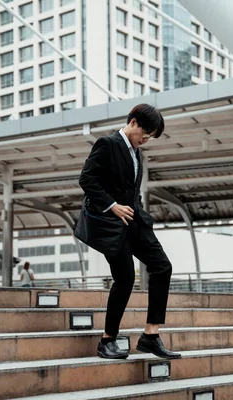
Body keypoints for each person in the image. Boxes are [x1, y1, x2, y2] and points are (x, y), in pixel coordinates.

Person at [77, 103, 180, 360]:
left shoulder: (137, 152)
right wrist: (112, 206)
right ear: (133, 122)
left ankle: (150, 335)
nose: (145, 140)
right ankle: (107, 340)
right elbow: (87, 179)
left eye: (150, 138)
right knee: (124, 280)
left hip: (134, 220)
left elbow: (131, 190)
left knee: (162, 266)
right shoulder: (107, 144)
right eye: (145, 134)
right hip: (112, 224)